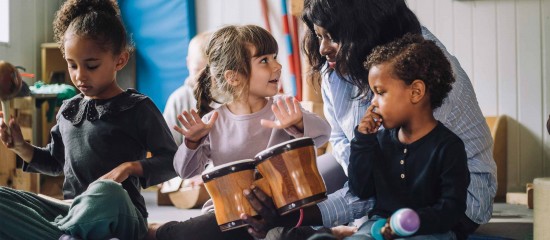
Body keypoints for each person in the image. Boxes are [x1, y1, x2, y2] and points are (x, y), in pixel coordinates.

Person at [241, 0, 497, 239]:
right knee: (286, 193)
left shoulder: (420, 77)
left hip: (437, 201)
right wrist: (295, 210)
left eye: (333, 37)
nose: (322, 48)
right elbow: (343, 145)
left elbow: (385, 189)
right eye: (320, 36)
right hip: (378, 176)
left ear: (365, 30)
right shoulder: (337, 65)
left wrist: (304, 215)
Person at [0, 0, 177, 239]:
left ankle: (58, 232)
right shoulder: (68, 110)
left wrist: (130, 167)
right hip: (72, 210)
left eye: (91, 66)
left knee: (107, 192)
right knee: (5, 198)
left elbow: (172, 162)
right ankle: (63, 233)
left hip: (119, 211)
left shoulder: (137, 107)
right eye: (72, 65)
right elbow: (55, 162)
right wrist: (21, 147)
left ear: (120, 60)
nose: (79, 75)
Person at [151, 24, 331, 239]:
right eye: (264, 60)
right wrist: (191, 143)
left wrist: (299, 123)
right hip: (231, 215)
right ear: (234, 77)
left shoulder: (284, 106)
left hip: (283, 211)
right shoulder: (213, 122)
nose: (277, 66)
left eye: (274, 57)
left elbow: (323, 135)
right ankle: (154, 230)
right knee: (190, 233)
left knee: (305, 231)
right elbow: (185, 171)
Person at [325, 33, 470, 239]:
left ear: (416, 92)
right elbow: (362, 189)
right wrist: (363, 141)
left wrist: (410, 222)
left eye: (380, 92)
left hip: (429, 231)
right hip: (379, 226)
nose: (373, 103)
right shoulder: (380, 140)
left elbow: (451, 208)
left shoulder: (448, 146)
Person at [163, 31, 211, 146]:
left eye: (208, 73)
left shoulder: (226, 97)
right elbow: (168, 145)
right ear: (188, 63)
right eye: (197, 70)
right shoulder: (178, 99)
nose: (202, 78)